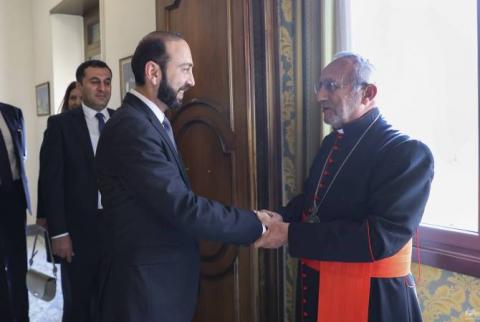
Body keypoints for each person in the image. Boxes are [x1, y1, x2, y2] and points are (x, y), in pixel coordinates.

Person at [95, 31, 265, 322]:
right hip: (145, 292)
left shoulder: (151, 121)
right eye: (185, 68)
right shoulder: (132, 127)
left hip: (160, 284)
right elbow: (181, 206)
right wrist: (256, 225)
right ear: (153, 72)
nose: (192, 80)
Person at [255, 52, 434, 322]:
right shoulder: (332, 142)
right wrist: (282, 217)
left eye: (331, 86)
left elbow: (379, 238)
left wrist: (290, 234)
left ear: (368, 93)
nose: (319, 97)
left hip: (374, 301)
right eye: (319, 86)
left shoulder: (406, 153)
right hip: (318, 286)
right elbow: (314, 201)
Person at [38, 59, 114, 322]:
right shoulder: (60, 125)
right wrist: (59, 232)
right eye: (95, 82)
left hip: (117, 228)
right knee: (80, 303)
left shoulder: (121, 121)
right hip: (80, 230)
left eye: (106, 82)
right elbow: (52, 182)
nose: (102, 88)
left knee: (113, 301)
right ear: (81, 86)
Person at [0, 102, 30, 322]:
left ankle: (21, 316)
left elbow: (22, 154)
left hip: (15, 199)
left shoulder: (13, 113)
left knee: (18, 264)